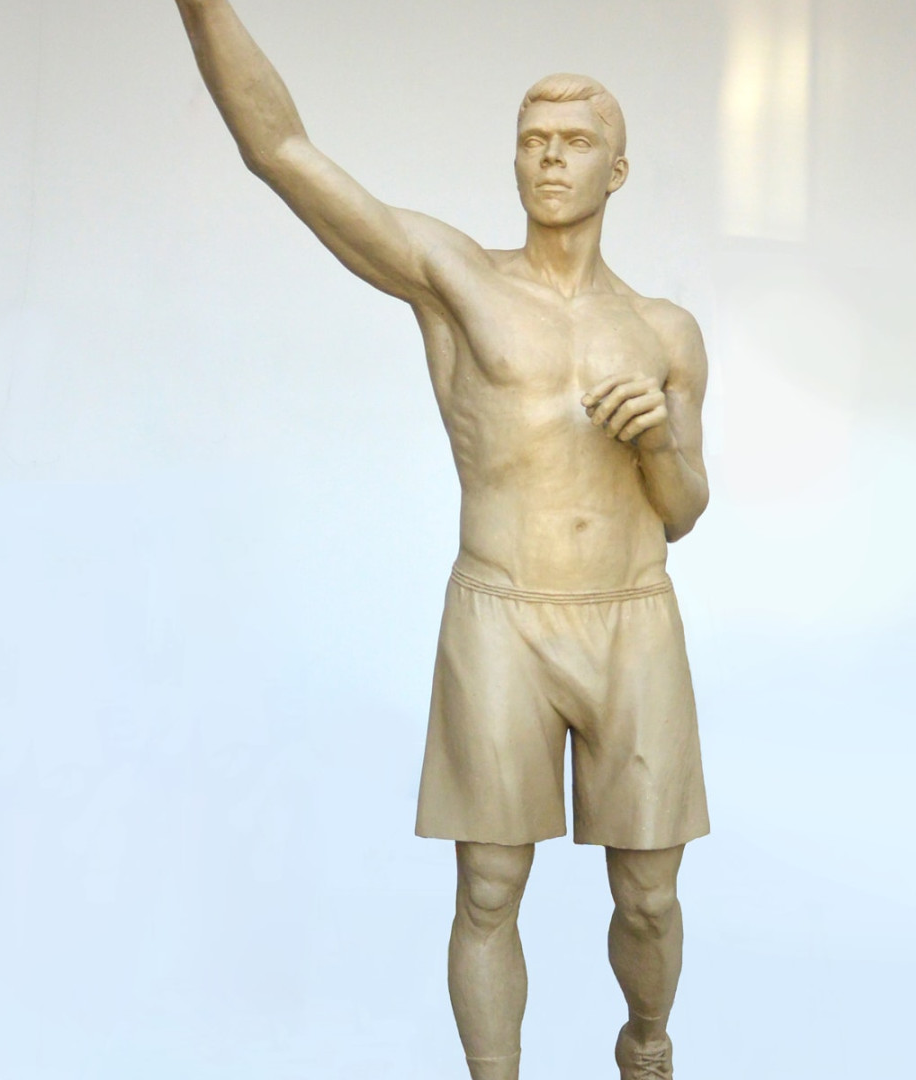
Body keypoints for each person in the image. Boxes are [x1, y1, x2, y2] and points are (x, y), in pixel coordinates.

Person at [173, 3, 711, 1077]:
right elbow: (280, 150)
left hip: (632, 614)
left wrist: (657, 441)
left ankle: (647, 1043)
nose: (548, 157)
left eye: (575, 142)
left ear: (617, 172)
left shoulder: (664, 328)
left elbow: (686, 508)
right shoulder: (458, 280)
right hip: (502, 612)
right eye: (532, 139)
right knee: (488, 887)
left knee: (649, 895)